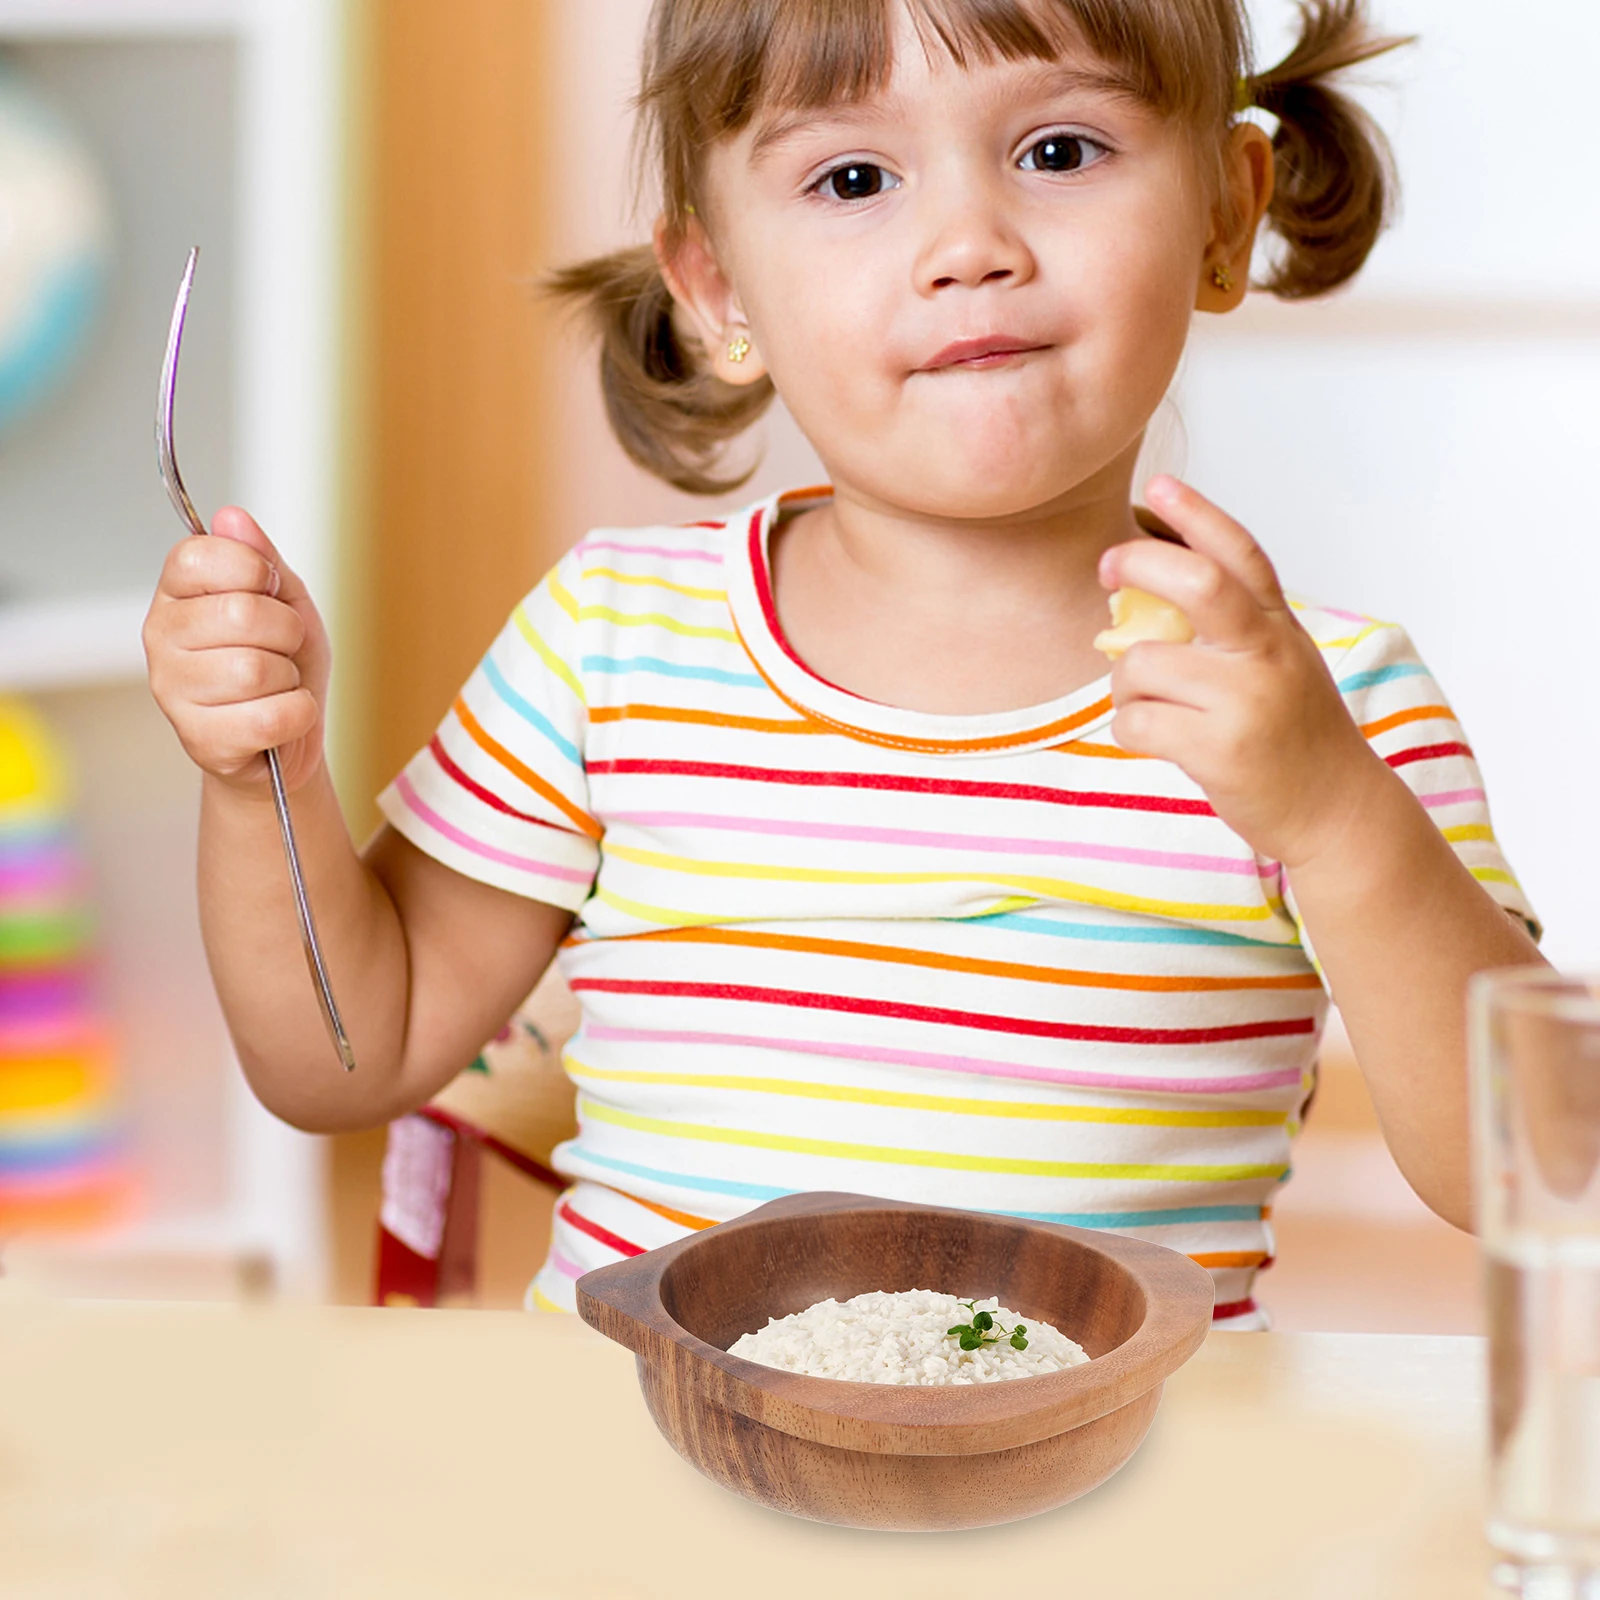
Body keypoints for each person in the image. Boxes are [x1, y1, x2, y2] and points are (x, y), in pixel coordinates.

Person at [143, 0, 1542, 1326]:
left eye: (1060, 151)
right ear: (717, 286)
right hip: (634, 1495)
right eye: (855, 179)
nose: (968, 243)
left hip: (1106, 1509)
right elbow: (344, 1056)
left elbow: (1535, 1170)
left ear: (1225, 216)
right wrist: (255, 772)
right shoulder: (614, 641)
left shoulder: (1320, 705)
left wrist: (1337, 819)